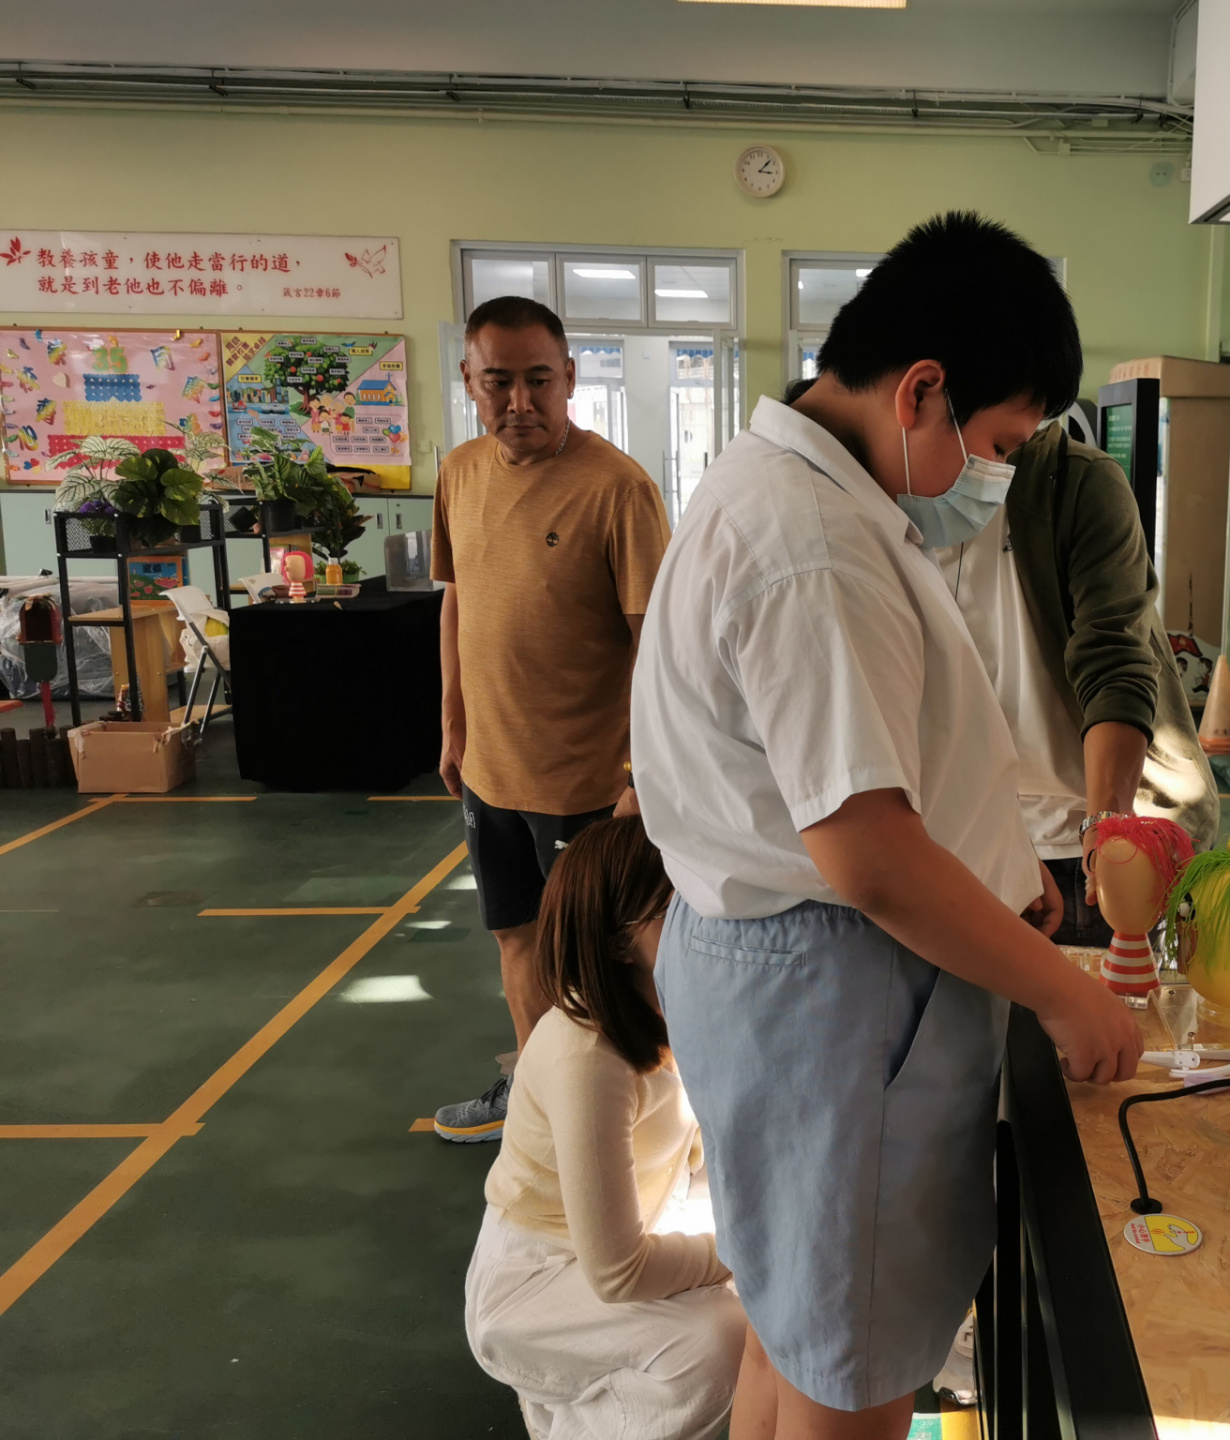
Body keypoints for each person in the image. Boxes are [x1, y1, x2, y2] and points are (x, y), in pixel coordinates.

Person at [632, 212, 1141, 1440]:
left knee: (793, 1326)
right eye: (999, 444)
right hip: (831, 994)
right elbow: (867, 858)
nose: (996, 478)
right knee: (850, 1371)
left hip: (782, 981)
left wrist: (993, 869)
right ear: (921, 390)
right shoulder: (814, 544)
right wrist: (1066, 995)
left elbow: (857, 777)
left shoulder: (792, 491)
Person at [431, 295, 671, 1142]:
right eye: (498, 381)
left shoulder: (619, 490)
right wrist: (454, 725)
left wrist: (641, 777)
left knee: (603, 964)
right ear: (469, 380)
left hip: (589, 786)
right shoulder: (460, 473)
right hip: (491, 773)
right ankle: (536, 1105)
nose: (520, 402)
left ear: (570, 377)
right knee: (516, 942)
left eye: (539, 380)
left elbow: (660, 650)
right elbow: (458, 602)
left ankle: (626, 1120)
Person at [465, 815, 745, 1440]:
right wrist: (744, 1252)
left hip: (628, 1234)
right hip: (535, 1280)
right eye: (675, 910)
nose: (708, 924)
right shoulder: (587, 1055)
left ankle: (580, 1403)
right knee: (718, 1342)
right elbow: (619, 1273)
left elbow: (705, 1161)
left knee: (758, 1308)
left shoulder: (676, 1009)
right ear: (619, 942)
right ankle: (574, 1413)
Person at [925, 415, 1218, 944]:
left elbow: (1114, 665)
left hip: (1075, 848)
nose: (1001, 454)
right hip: (959, 844)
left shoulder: (1074, 484)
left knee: (1104, 994)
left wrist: (1107, 827)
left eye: (1010, 443)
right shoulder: (886, 497)